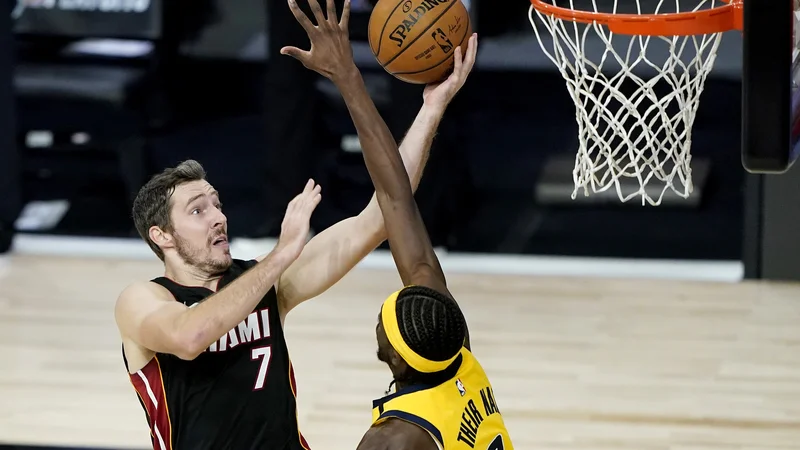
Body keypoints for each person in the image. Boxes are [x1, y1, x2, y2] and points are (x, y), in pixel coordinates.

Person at [113, 8, 473, 450]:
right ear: (161, 236)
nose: (218, 216)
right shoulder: (143, 300)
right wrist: (280, 255)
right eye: (197, 210)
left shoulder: (265, 283)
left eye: (217, 204)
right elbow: (189, 337)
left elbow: (383, 215)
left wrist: (431, 109)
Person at [281, 0, 513, 448]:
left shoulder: (393, 439)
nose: (386, 312)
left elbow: (394, 197)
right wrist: (360, 80)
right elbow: (395, 196)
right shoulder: (456, 357)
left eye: (389, 319)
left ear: (395, 360)